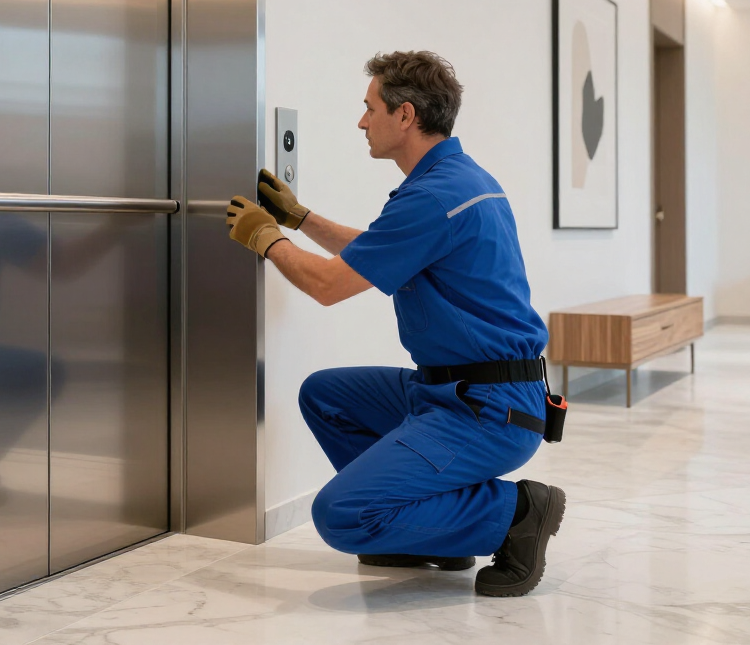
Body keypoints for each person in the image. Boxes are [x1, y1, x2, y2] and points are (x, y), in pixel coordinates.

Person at [225, 51, 565, 598]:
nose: (362, 122)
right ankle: (438, 537)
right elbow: (380, 253)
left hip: (489, 409)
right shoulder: (454, 180)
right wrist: (300, 218)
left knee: (340, 514)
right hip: (455, 389)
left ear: (404, 116)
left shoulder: (434, 196)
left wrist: (267, 238)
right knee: (326, 395)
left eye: (370, 108)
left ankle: (518, 513)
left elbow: (330, 286)